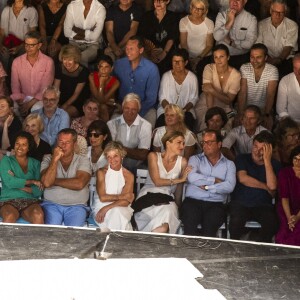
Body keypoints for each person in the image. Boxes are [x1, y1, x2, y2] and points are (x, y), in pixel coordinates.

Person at [133, 131, 192, 233]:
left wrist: (178, 206)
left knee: (168, 213)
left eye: (183, 143)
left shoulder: (182, 162)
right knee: (162, 216)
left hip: (167, 198)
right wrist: (180, 179)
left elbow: (178, 189)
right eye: (179, 142)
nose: (182, 146)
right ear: (168, 143)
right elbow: (157, 181)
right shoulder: (153, 156)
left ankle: (154, 236)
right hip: (148, 196)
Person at [181, 129, 236, 237]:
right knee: (190, 225)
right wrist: (215, 180)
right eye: (203, 142)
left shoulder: (229, 164)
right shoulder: (195, 159)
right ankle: (188, 253)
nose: (205, 145)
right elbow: (192, 177)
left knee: (210, 228)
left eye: (209, 142)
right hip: (193, 201)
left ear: (219, 144)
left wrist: (206, 187)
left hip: (216, 204)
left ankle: (206, 253)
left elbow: (229, 187)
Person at [229, 130, 281, 243]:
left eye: (263, 149)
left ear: (270, 150)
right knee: (236, 221)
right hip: (241, 203)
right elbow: (243, 178)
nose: (257, 151)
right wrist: (265, 187)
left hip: (263, 206)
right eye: (255, 147)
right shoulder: (242, 158)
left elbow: (272, 186)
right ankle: (235, 250)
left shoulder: (275, 165)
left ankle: (259, 248)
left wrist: (267, 161)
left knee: (272, 223)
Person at [41, 128, 92, 226]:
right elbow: (47, 183)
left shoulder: (83, 160)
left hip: (77, 206)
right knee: (51, 232)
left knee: (74, 234)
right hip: (52, 204)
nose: (63, 145)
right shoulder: (48, 158)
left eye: (67, 142)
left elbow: (79, 184)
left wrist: (54, 181)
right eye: (60, 141)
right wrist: (55, 160)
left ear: (74, 144)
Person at [113, 35, 160, 127]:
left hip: (145, 108)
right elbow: (111, 86)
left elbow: (151, 99)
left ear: (141, 50)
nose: (128, 52)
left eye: (131, 49)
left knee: (147, 128)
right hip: (122, 107)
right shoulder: (118, 64)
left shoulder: (152, 69)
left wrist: (134, 111)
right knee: (112, 129)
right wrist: (118, 105)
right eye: (127, 48)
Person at [195, 44, 241, 132]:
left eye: (221, 56)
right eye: (215, 57)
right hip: (207, 104)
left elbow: (229, 100)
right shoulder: (209, 68)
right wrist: (211, 114)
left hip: (225, 106)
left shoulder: (236, 75)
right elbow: (208, 94)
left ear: (228, 57)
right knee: (206, 124)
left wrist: (212, 90)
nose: (218, 60)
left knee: (225, 128)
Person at [0, 131, 43, 223]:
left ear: (28, 147)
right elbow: (9, 182)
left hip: (29, 200)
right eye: (17, 144)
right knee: (9, 215)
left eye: (24, 144)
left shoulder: (35, 163)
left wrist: (17, 182)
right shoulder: (6, 161)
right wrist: (32, 182)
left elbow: (38, 191)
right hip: (8, 200)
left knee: (38, 215)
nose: (19, 147)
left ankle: (38, 238)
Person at [91, 141, 134, 230]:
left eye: (115, 156)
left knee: (117, 212)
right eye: (109, 157)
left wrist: (107, 208)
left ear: (122, 156)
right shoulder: (101, 172)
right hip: (100, 206)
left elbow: (126, 202)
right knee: (117, 216)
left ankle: (111, 239)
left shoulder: (129, 175)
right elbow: (103, 198)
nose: (112, 160)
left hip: (121, 207)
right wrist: (124, 196)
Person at [10, 31, 55, 117]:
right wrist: (20, 101)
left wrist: (29, 104)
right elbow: (15, 85)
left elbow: (45, 88)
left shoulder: (48, 62)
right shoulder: (17, 62)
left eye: (32, 45)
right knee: (13, 108)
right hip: (22, 97)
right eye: (26, 44)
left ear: (39, 45)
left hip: (40, 98)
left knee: (36, 109)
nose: (28, 48)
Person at [237, 43, 278, 130]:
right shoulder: (244, 68)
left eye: (258, 57)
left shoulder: (272, 70)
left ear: (266, 58)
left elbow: (270, 95)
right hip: (246, 108)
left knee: (265, 128)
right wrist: (241, 113)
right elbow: (242, 93)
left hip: (263, 109)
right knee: (238, 126)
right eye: (252, 57)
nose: (254, 60)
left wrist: (266, 114)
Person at [107, 93, 152, 173]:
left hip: (135, 166)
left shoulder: (146, 125)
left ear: (138, 110)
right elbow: (110, 149)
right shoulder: (112, 123)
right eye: (127, 108)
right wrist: (134, 151)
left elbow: (142, 155)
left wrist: (119, 148)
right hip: (113, 162)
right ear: (122, 108)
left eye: (133, 109)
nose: (130, 112)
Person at [157, 48, 198, 130]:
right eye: (174, 61)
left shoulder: (192, 77)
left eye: (179, 61)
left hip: (185, 111)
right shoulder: (166, 76)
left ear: (186, 62)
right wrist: (170, 111)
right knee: (162, 124)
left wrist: (183, 111)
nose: (176, 64)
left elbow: (194, 98)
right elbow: (162, 97)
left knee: (188, 123)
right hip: (167, 110)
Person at [256, 0, 298, 78]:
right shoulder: (261, 25)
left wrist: (279, 59)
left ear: (285, 13)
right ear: (270, 11)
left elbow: (288, 47)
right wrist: (268, 60)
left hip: (285, 60)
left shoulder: (292, 25)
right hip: (266, 59)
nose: (278, 15)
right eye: (275, 12)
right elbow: (259, 46)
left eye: (281, 13)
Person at [213, 0, 257, 69]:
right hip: (221, 58)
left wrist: (231, 43)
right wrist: (229, 22)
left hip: (240, 58)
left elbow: (249, 44)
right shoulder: (221, 15)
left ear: (245, 1)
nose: (234, 2)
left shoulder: (251, 19)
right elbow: (217, 37)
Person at [138, 0, 179, 74]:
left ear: (167, 1)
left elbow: (172, 38)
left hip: (167, 52)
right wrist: (150, 53)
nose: (158, 3)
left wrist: (164, 53)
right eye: (156, 1)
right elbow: (142, 38)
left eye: (161, 1)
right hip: (148, 51)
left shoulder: (173, 17)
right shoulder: (146, 16)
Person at [64, 0, 106, 67]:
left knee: (82, 58)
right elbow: (67, 32)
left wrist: (76, 30)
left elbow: (95, 36)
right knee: (69, 57)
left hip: (92, 44)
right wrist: (89, 32)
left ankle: (83, 77)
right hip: (74, 43)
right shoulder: (72, 6)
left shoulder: (100, 8)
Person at [0, 0, 38, 72]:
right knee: (3, 53)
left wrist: (20, 47)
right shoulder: (6, 9)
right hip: (8, 43)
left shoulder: (31, 11)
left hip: (24, 44)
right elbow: (2, 33)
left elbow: (33, 35)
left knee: (22, 55)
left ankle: (18, 79)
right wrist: (0, 45)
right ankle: (4, 79)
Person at [54, 44, 90, 118]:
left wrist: (64, 106)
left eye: (70, 60)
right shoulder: (59, 67)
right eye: (64, 59)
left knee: (63, 114)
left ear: (75, 59)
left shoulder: (83, 71)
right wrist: (55, 102)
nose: (67, 63)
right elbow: (56, 88)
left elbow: (76, 94)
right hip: (60, 98)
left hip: (76, 102)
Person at [179, 0, 214, 71]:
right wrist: (189, 59)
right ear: (191, 7)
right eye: (194, 7)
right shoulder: (183, 21)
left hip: (204, 55)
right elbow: (183, 44)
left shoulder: (210, 23)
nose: (196, 10)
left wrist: (198, 58)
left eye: (200, 9)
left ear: (204, 11)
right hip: (187, 55)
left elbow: (209, 45)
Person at [275, 145, 300, 246]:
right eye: (295, 158)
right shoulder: (285, 173)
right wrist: (290, 217)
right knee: (286, 230)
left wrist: (297, 217)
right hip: (286, 208)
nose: (297, 162)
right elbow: (284, 197)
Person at [89, 55, 120, 122]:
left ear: (111, 68)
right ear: (98, 67)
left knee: (103, 107)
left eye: (106, 67)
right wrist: (101, 84)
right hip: (96, 103)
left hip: (108, 106)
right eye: (101, 66)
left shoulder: (115, 82)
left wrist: (101, 84)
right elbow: (99, 99)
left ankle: (105, 128)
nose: (103, 70)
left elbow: (101, 100)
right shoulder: (92, 77)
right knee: (101, 106)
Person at [276, 54, 300, 123]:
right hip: (290, 123)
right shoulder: (285, 80)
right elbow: (281, 109)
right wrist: (292, 125)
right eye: (295, 68)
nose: (298, 73)